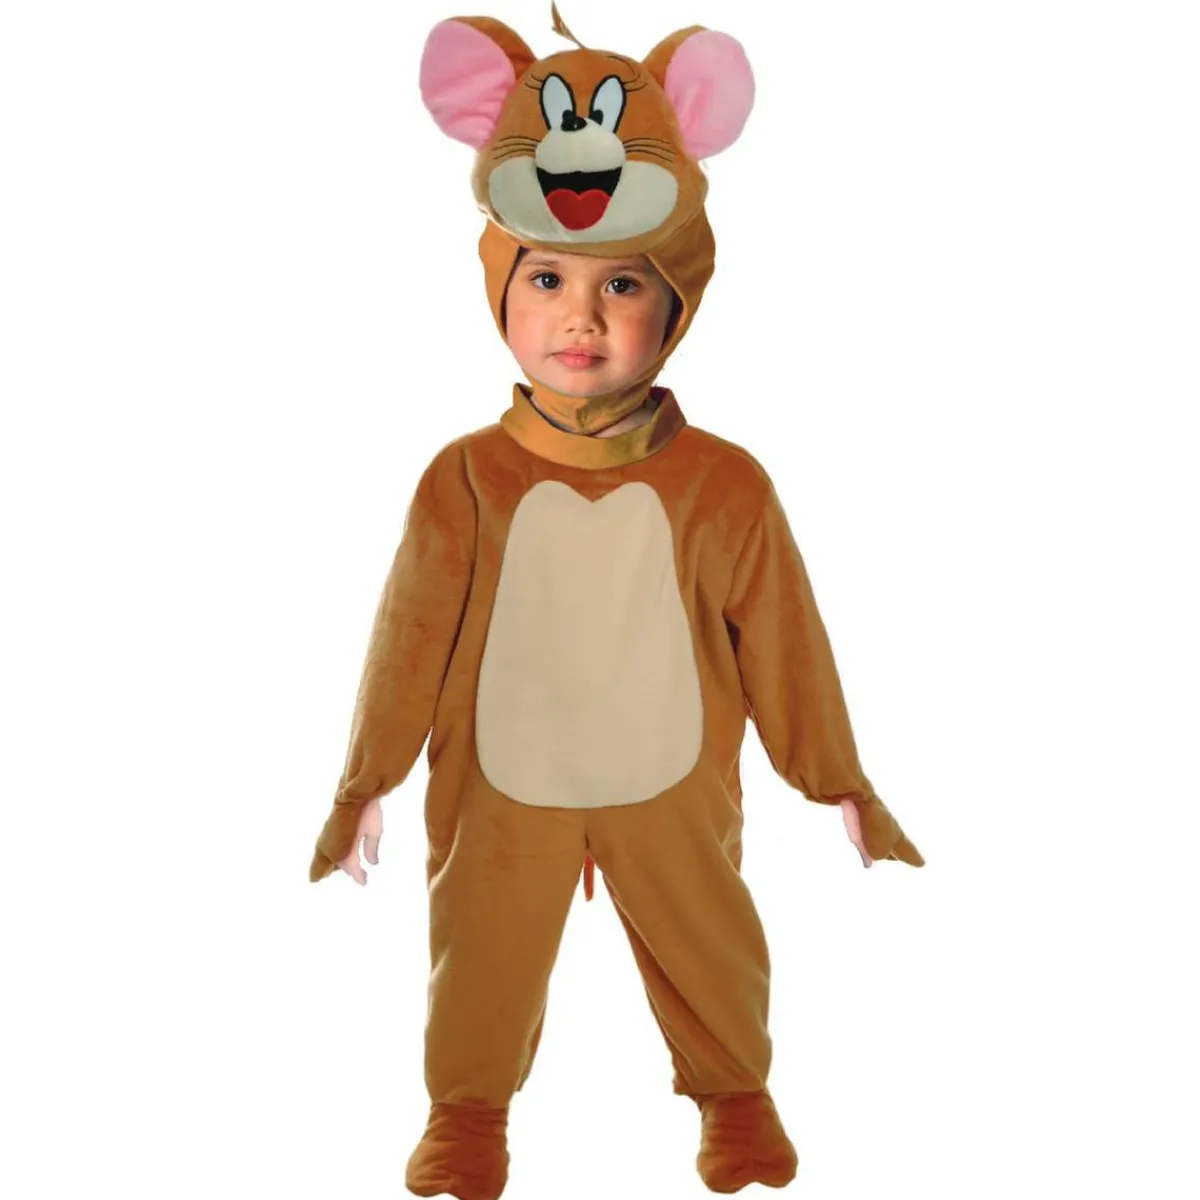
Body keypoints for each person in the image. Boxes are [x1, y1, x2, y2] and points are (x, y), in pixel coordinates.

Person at [308, 10, 924, 1199]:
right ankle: (468, 1114)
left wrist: (837, 778)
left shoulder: (724, 484)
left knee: (710, 938)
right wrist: (365, 779)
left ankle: (736, 1097)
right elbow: (408, 640)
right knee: (481, 947)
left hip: (673, 778)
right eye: (546, 279)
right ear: (502, 291)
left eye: (623, 284)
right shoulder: (465, 480)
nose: (580, 318)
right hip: (499, 777)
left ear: (677, 304)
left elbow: (785, 638)